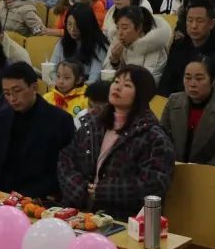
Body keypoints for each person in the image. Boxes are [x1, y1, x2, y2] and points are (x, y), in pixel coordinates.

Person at [57, 65, 175, 220]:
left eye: (127, 85)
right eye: (116, 81)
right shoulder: (92, 123)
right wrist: (81, 190)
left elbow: (153, 185)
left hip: (122, 221)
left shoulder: (153, 136)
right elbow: (65, 160)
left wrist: (101, 191)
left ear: (141, 94)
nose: (117, 87)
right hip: (77, 212)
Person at [0, 62, 76, 197]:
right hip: (1, 194)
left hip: (39, 197)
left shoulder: (59, 120)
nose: (12, 98)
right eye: (7, 93)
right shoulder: (2, 116)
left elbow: (62, 171)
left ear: (34, 87)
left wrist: (27, 195)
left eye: (17, 91)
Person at [160, 57, 215, 167]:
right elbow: (161, 137)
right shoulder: (173, 100)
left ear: (212, 81)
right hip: (172, 167)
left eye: (199, 79)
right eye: (187, 78)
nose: (192, 84)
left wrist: (202, 173)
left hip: (206, 172)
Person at [160, 0, 215, 96]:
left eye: (199, 21)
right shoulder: (178, 46)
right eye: (190, 20)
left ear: (211, 24)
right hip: (174, 102)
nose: (194, 26)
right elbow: (165, 84)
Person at [104, 5, 170, 83]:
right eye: (118, 28)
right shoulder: (117, 41)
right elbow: (106, 76)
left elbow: (146, 83)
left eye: (125, 28)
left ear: (139, 28)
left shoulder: (154, 47)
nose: (120, 33)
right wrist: (115, 60)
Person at [49, 2, 109, 81]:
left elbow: (94, 78)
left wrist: (73, 86)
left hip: (85, 86)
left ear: (87, 25)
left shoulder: (98, 46)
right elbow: (52, 70)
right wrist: (59, 82)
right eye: (69, 24)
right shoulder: (62, 42)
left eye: (77, 25)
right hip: (62, 85)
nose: (72, 29)